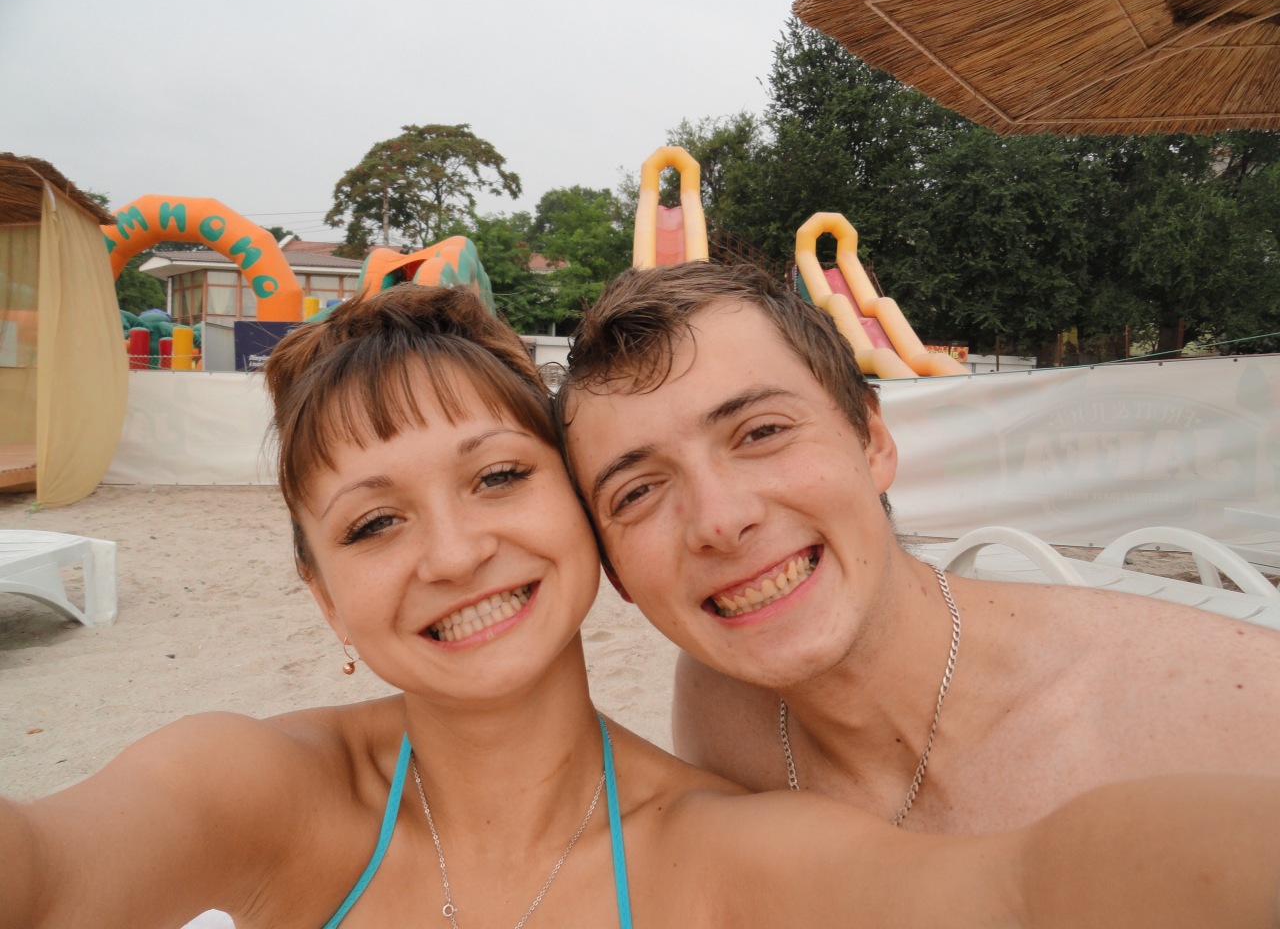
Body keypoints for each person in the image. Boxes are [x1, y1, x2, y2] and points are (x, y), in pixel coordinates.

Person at [5, 284, 1280, 929]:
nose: (454, 552)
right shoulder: (258, 791)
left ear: (577, 526)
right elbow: (49, 871)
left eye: (497, 478)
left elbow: (1016, 890)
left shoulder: (720, 843)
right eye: (372, 524)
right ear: (323, 597)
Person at [556, 260, 1280, 835]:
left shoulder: (1221, 723)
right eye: (638, 492)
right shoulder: (721, 707)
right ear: (615, 574)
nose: (719, 520)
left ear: (873, 441)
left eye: (762, 432)